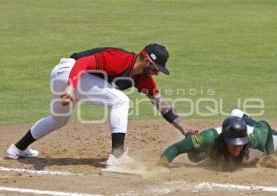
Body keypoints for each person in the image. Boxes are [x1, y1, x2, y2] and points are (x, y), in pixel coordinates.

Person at [5, 44, 187, 167]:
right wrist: (71, 86)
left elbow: (162, 105)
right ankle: (117, 155)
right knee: (121, 101)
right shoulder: (119, 58)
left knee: (58, 120)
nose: (156, 74)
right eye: (156, 68)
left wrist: (185, 130)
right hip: (70, 73)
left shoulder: (142, 79)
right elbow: (82, 63)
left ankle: (16, 149)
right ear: (147, 61)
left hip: (68, 79)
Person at [161, 109, 277, 167]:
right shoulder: (209, 137)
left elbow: (265, 126)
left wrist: (270, 155)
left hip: (254, 128)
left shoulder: (255, 137)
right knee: (195, 157)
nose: (236, 147)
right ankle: (190, 138)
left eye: (239, 143)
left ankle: (243, 117)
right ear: (224, 140)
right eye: (232, 143)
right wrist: (161, 165)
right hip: (215, 142)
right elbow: (177, 147)